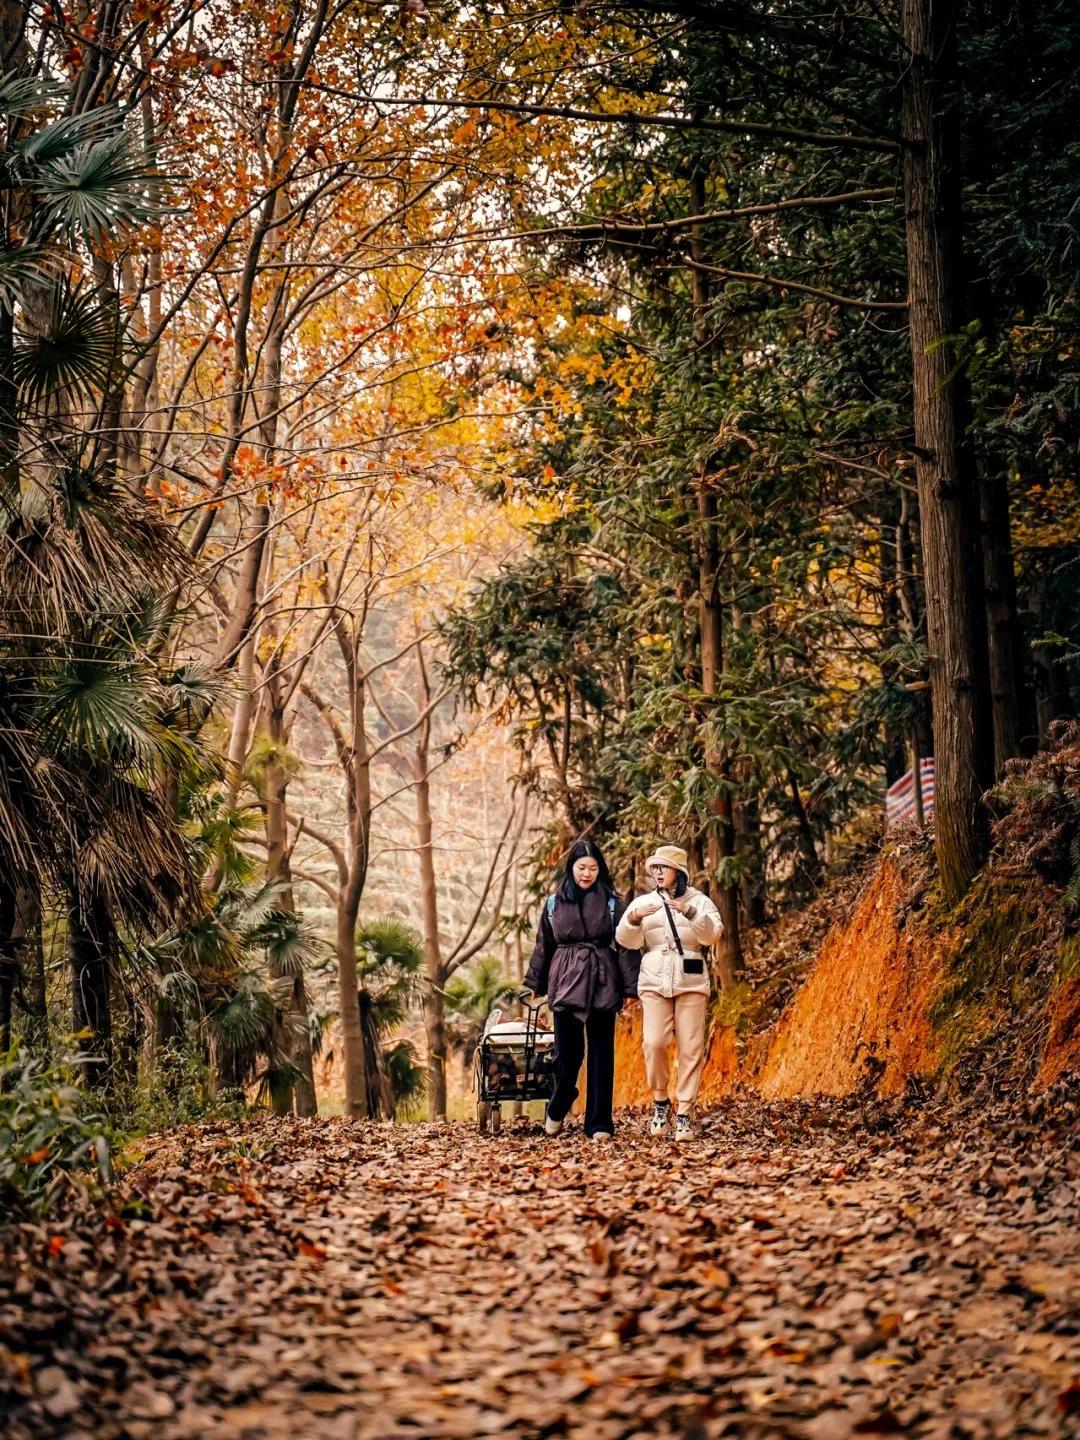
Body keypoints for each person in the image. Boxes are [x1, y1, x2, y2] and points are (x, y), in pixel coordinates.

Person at [523, 839, 639, 1141]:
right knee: (567, 1054)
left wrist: (630, 987)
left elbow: (625, 946)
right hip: (565, 979)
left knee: (602, 1053)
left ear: (600, 870)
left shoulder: (614, 903)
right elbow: (544, 945)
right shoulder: (554, 903)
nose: (586, 874)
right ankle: (559, 1103)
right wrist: (536, 982)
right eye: (581, 867)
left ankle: (599, 1123)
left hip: (602, 977)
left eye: (592, 868)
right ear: (571, 868)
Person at [616, 843, 722, 1142]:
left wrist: (689, 912)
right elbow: (626, 940)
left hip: (690, 979)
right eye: (655, 868)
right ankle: (661, 1101)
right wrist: (634, 919)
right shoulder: (644, 902)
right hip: (653, 979)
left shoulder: (699, 900)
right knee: (654, 1042)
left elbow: (713, 934)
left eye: (664, 867)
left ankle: (685, 1112)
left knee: (690, 1047)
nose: (658, 873)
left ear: (679, 871)